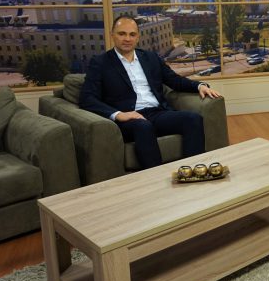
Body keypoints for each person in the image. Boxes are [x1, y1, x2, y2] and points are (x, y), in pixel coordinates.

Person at [80, 15, 221, 169]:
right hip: (128, 119)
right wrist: (119, 114)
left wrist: (199, 86)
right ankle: (157, 178)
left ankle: (192, 172)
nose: (127, 39)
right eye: (122, 34)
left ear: (138, 37)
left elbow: (174, 80)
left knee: (192, 119)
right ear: (112, 35)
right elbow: (87, 98)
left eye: (132, 34)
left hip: (157, 113)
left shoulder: (150, 57)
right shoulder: (100, 63)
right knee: (143, 126)